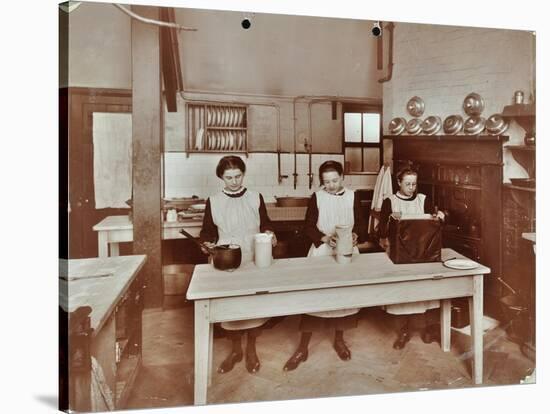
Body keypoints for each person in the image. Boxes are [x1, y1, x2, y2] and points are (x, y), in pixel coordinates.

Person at [283, 160, 366, 371]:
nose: (330, 185)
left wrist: (357, 235)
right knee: (313, 299)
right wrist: (324, 238)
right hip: (322, 251)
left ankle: (339, 340)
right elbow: (308, 226)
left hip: (346, 253)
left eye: (334, 180)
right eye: (326, 182)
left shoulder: (352, 196)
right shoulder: (317, 197)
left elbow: (362, 225)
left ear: (342, 177)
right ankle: (303, 346)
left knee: (343, 299)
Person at [200, 156, 277, 374]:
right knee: (230, 307)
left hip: (254, 255)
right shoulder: (214, 200)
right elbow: (207, 231)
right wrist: (207, 243)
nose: (234, 181)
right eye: (228, 177)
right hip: (227, 259)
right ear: (221, 177)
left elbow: (266, 223)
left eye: (238, 176)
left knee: (253, 306)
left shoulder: (255, 197)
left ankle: (251, 348)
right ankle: (235, 350)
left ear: (243, 174)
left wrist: (270, 232)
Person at [378, 168, 445, 350]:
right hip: (400, 255)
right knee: (405, 292)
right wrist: (391, 219)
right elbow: (381, 231)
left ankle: (427, 328)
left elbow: (434, 221)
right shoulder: (389, 202)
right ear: (398, 183)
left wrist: (439, 216)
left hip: (423, 253)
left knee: (424, 292)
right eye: (407, 184)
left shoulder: (423, 200)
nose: (411, 187)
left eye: (414, 184)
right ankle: (404, 331)